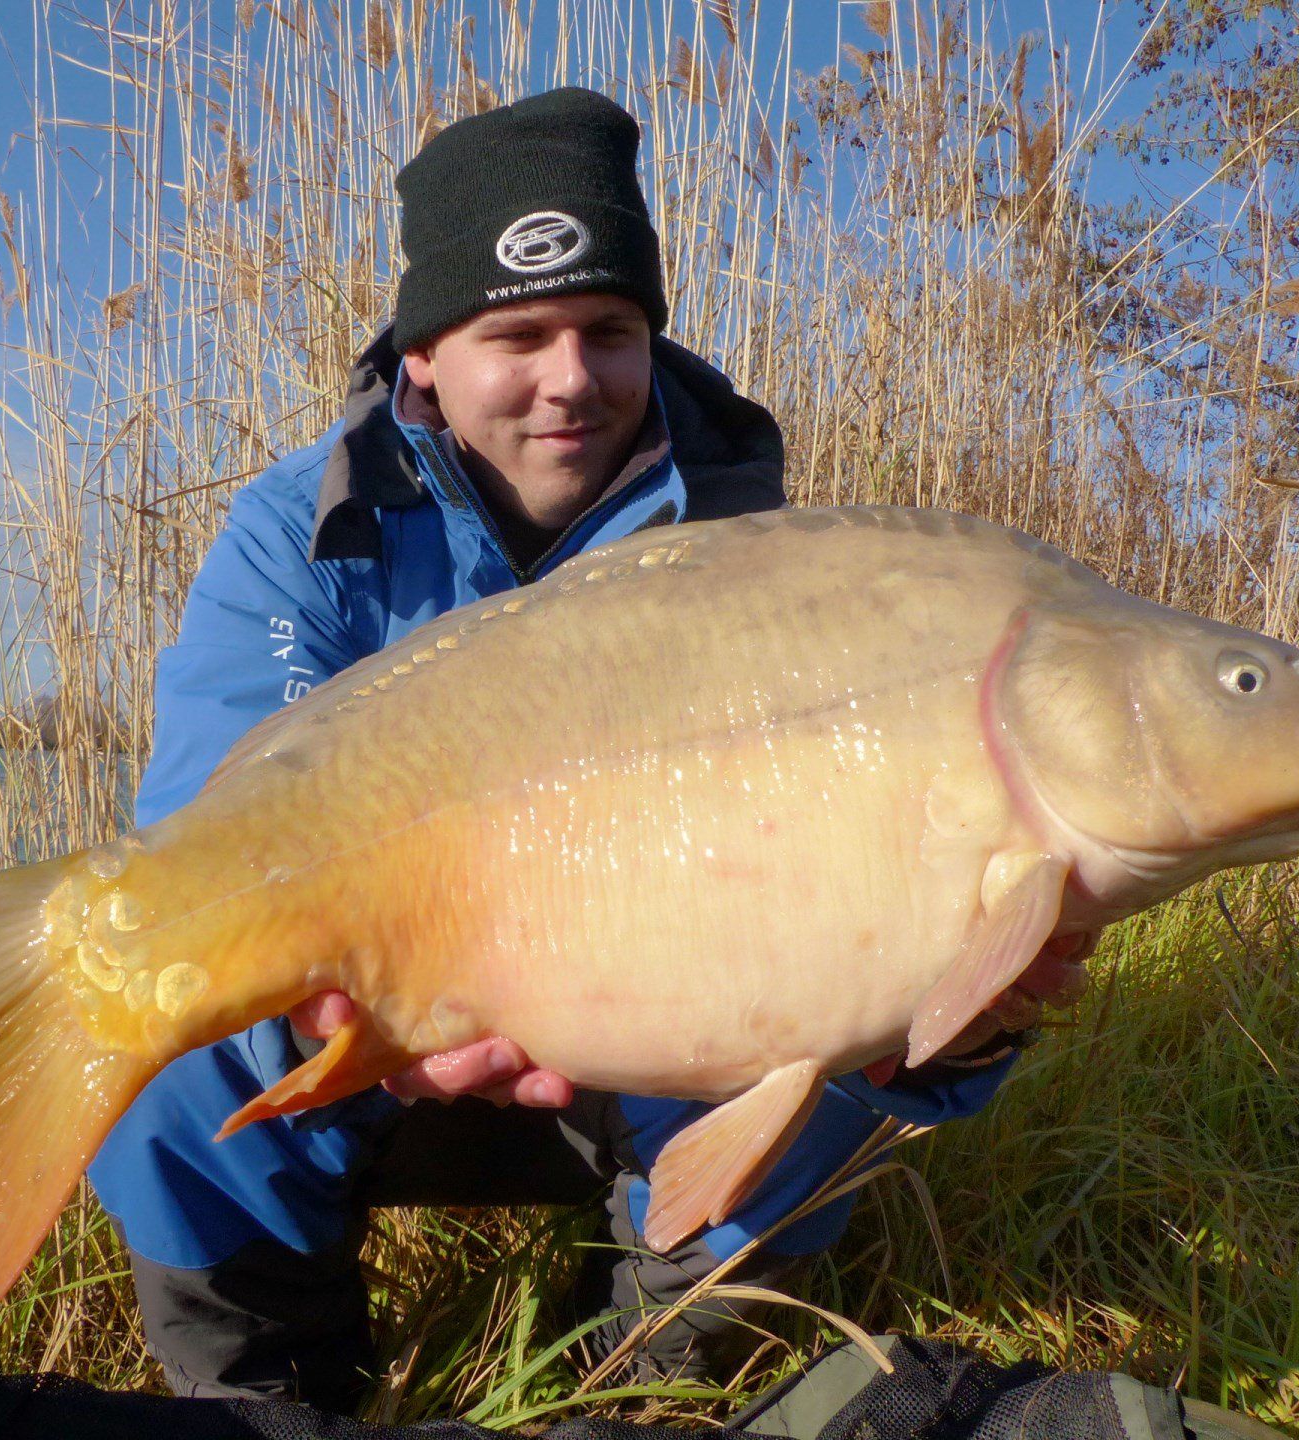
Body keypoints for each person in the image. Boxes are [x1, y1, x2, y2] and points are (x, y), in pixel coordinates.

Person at [87, 87, 1031, 1409]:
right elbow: (209, 822)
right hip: (370, 1026)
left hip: (658, 1038)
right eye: (517, 335)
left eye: (609, 329)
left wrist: (952, 1037)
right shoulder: (291, 533)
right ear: (425, 355)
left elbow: (877, 918)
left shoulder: (768, 569)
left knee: (814, 1095)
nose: (571, 377)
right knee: (171, 1053)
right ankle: (268, 1398)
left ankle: (647, 1396)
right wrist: (361, 997)